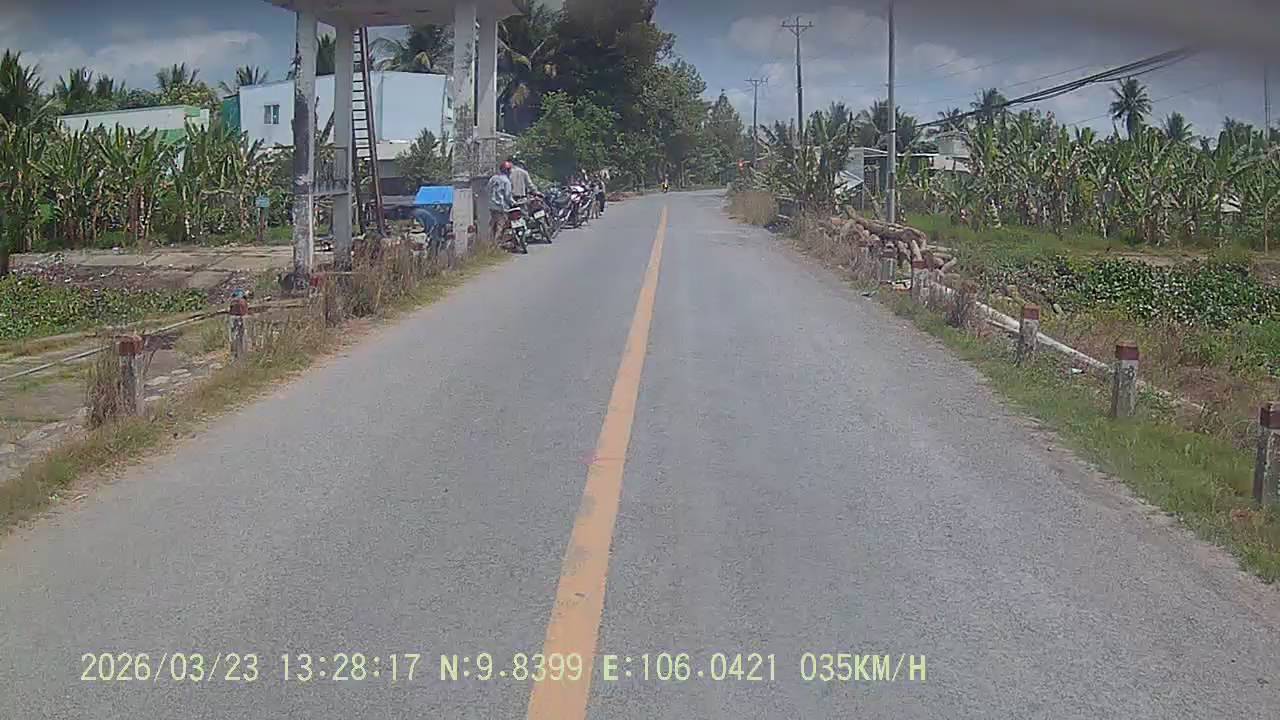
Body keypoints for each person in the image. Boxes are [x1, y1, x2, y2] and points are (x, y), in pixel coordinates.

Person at [487, 161, 515, 248]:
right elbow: (508, 195)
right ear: (507, 170)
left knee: (492, 225)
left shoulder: (493, 178)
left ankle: (489, 243)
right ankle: (496, 245)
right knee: (500, 226)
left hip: (492, 205)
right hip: (502, 207)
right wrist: (513, 203)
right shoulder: (506, 181)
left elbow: (488, 189)